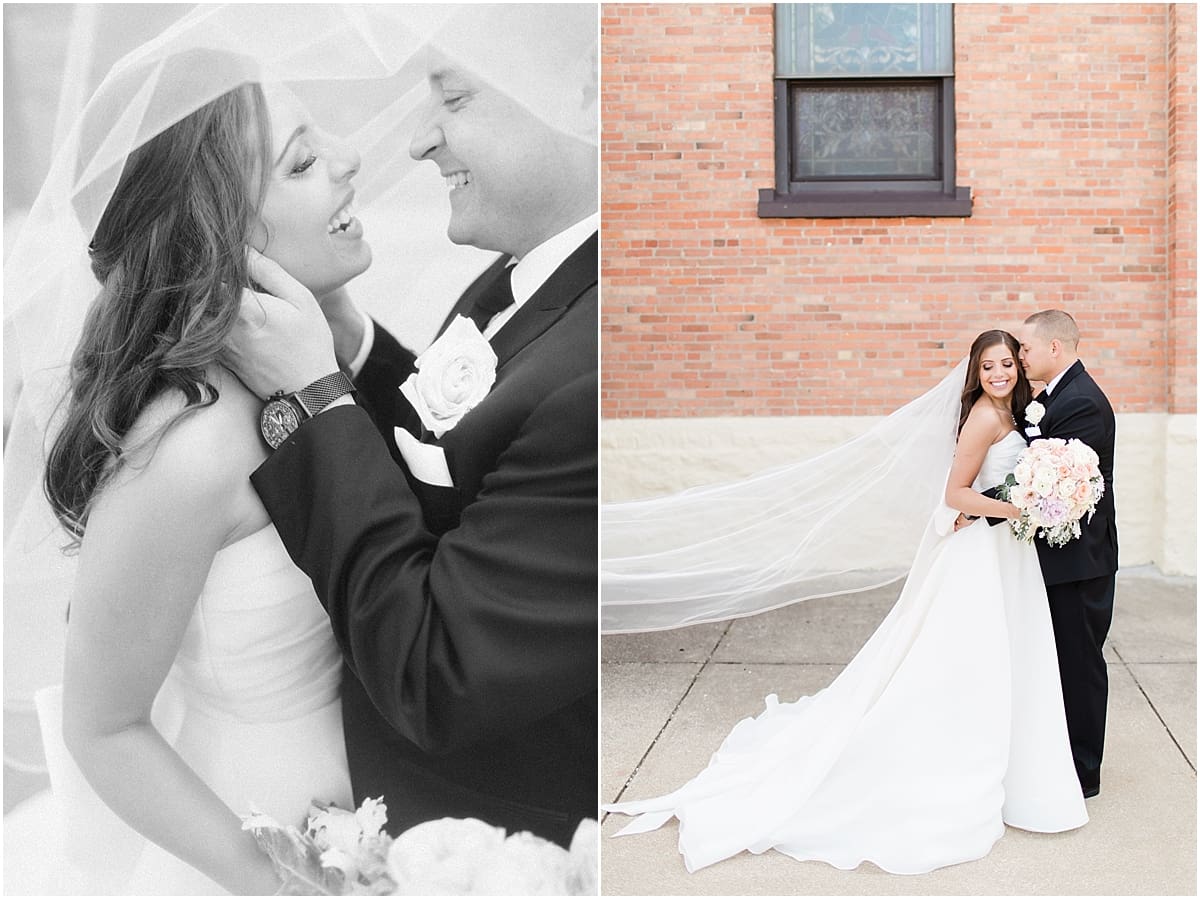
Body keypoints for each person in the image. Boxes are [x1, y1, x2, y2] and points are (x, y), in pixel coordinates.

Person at [222, 7, 598, 848]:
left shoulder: (591, 376)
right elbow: (456, 456)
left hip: (502, 839)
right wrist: (349, 342)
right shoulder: (522, 278)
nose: (421, 142)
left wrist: (317, 398)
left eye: (453, 99)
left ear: (587, 94)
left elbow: (437, 671)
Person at [602, 331, 1088, 874]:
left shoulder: (1017, 413)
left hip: (1004, 554)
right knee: (967, 663)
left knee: (1005, 657)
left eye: (1006, 364)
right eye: (988, 366)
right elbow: (955, 495)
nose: (999, 373)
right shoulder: (983, 417)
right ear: (974, 372)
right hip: (982, 554)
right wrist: (1022, 508)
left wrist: (1037, 496)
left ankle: (1012, 767)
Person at [1017, 309, 1118, 798]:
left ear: (1053, 348)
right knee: (1060, 661)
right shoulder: (1058, 395)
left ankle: (1082, 775)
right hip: (1062, 561)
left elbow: (1046, 485)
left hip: (1078, 563)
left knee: (1078, 665)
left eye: (1026, 348)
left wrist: (980, 507)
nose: (1021, 356)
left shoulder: (1081, 403)